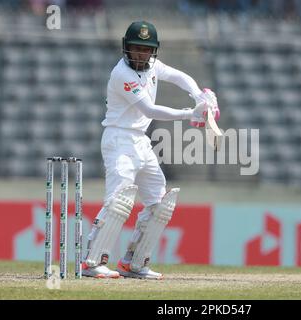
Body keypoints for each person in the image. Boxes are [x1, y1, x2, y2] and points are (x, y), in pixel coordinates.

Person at [81, 21, 220, 279]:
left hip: (140, 141)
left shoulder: (154, 65)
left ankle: (133, 263)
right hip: (118, 139)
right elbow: (149, 110)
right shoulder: (121, 74)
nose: (140, 54)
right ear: (127, 48)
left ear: (153, 50)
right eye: (136, 48)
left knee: (160, 202)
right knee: (119, 201)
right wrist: (190, 114)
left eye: (146, 49)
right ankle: (92, 263)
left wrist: (198, 95)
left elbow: (179, 76)